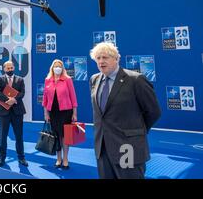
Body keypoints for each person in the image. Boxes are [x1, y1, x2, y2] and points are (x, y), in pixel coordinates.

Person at [89, 42, 161, 179]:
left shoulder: (135, 80)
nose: (101, 61)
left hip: (128, 147)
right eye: (98, 58)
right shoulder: (94, 79)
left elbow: (153, 111)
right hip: (102, 148)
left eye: (105, 57)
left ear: (116, 58)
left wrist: (136, 132)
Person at [42, 59, 78, 169]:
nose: (57, 68)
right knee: (56, 136)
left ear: (62, 68)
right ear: (52, 68)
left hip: (66, 112)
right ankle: (58, 159)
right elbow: (45, 99)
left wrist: (74, 113)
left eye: (59, 66)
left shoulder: (67, 80)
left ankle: (66, 158)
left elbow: (73, 97)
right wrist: (46, 114)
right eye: (55, 66)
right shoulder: (48, 80)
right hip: (53, 112)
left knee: (65, 137)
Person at [0, 60, 28, 167]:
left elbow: (22, 92)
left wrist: (13, 99)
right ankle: (1, 158)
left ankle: (21, 158)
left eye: (11, 68)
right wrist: (7, 100)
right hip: (3, 111)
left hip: (17, 112)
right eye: (7, 68)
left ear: (14, 68)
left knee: (19, 136)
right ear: (4, 69)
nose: (10, 70)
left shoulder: (20, 79)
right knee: (2, 136)